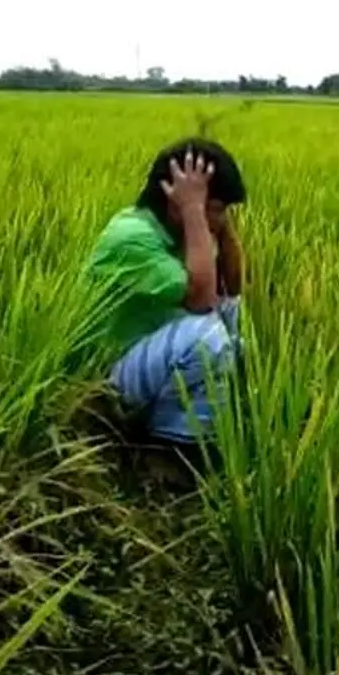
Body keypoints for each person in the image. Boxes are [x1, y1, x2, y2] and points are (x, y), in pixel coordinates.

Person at [86, 137, 246, 446]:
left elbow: (231, 289)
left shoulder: (178, 234)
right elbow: (202, 301)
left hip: (145, 358)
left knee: (233, 317)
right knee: (207, 338)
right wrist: (194, 210)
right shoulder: (132, 237)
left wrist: (214, 221)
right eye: (216, 209)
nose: (219, 220)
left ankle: (216, 424)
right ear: (174, 200)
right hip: (103, 381)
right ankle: (170, 449)